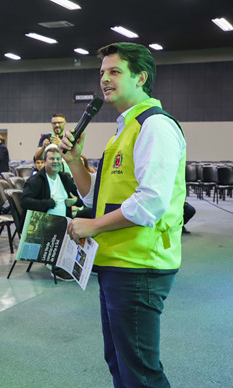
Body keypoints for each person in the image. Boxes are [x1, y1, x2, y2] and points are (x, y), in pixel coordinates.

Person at [61, 42, 186, 388]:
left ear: (141, 78)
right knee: (120, 362)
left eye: (115, 71)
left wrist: (93, 226)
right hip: (117, 261)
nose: (104, 79)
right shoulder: (123, 129)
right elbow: (95, 196)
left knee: (140, 372)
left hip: (140, 264)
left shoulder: (154, 126)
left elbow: (151, 202)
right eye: (102, 72)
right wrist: (74, 161)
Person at [20, 145, 82, 280]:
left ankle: (75, 263)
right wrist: (49, 203)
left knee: (87, 219)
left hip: (66, 221)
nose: (56, 161)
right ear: (44, 161)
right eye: (52, 158)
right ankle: (57, 265)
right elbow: (24, 201)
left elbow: (81, 198)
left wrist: (75, 200)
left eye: (58, 159)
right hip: (44, 223)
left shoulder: (65, 178)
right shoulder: (36, 180)